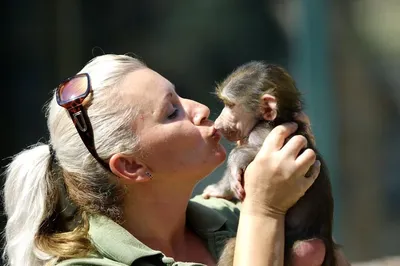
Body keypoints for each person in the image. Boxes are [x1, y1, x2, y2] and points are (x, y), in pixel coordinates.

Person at [2, 54, 347, 266]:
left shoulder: (226, 217)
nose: (199, 110)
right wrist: (265, 211)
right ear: (131, 166)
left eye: (180, 94)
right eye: (172, 112)